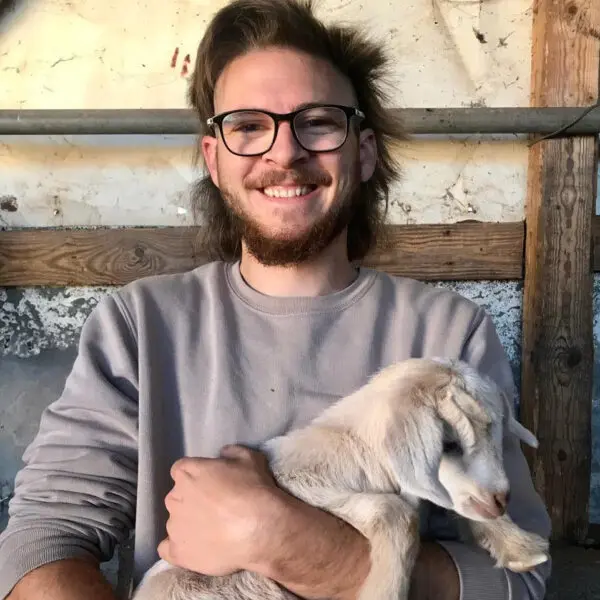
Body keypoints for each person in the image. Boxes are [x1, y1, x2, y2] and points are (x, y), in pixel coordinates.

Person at [0, 1, 551, 599]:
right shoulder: (139, 324)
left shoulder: (450, 334)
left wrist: (280, 536)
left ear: (363, 153)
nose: (284, 152)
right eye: (247, 126)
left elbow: (520, 579)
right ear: (215, 160)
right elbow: (41, 542)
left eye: (317, 121)